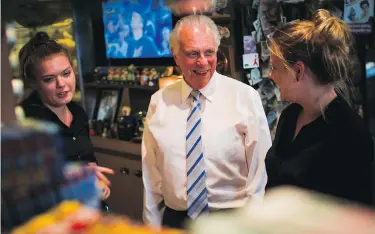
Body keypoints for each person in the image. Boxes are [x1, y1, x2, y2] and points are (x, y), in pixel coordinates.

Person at [142, 15, 272, 229]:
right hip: (177, 221)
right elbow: (150, 175)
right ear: (176, 56)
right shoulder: (159, 102)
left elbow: (261, 175)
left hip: (232, 221)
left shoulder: (245, 97)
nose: (202, 62)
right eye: (192, 54)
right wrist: (151, 227)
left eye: (209, 52)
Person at [265, 10, 374, 205]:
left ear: (298, 71)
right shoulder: (290, 116)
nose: (270, 75)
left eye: (275, 67)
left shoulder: (349, 134)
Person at [19, 32, 114, 203]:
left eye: (66, 73)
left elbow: (87, 159)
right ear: (33, 83)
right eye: (49, 79)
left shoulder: (78, 113)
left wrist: (96, 179)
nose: (61, 84)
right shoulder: (28, 122)